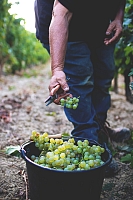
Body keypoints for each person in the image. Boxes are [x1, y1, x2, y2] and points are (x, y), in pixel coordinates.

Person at [34, 0, 130, 176]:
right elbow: (61, 14)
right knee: (79, 82)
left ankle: (99, 129)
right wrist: (57, 70)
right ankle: (88, 140)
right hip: (64, 27)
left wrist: (118, 17)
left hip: (98, 24)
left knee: (104, 75)